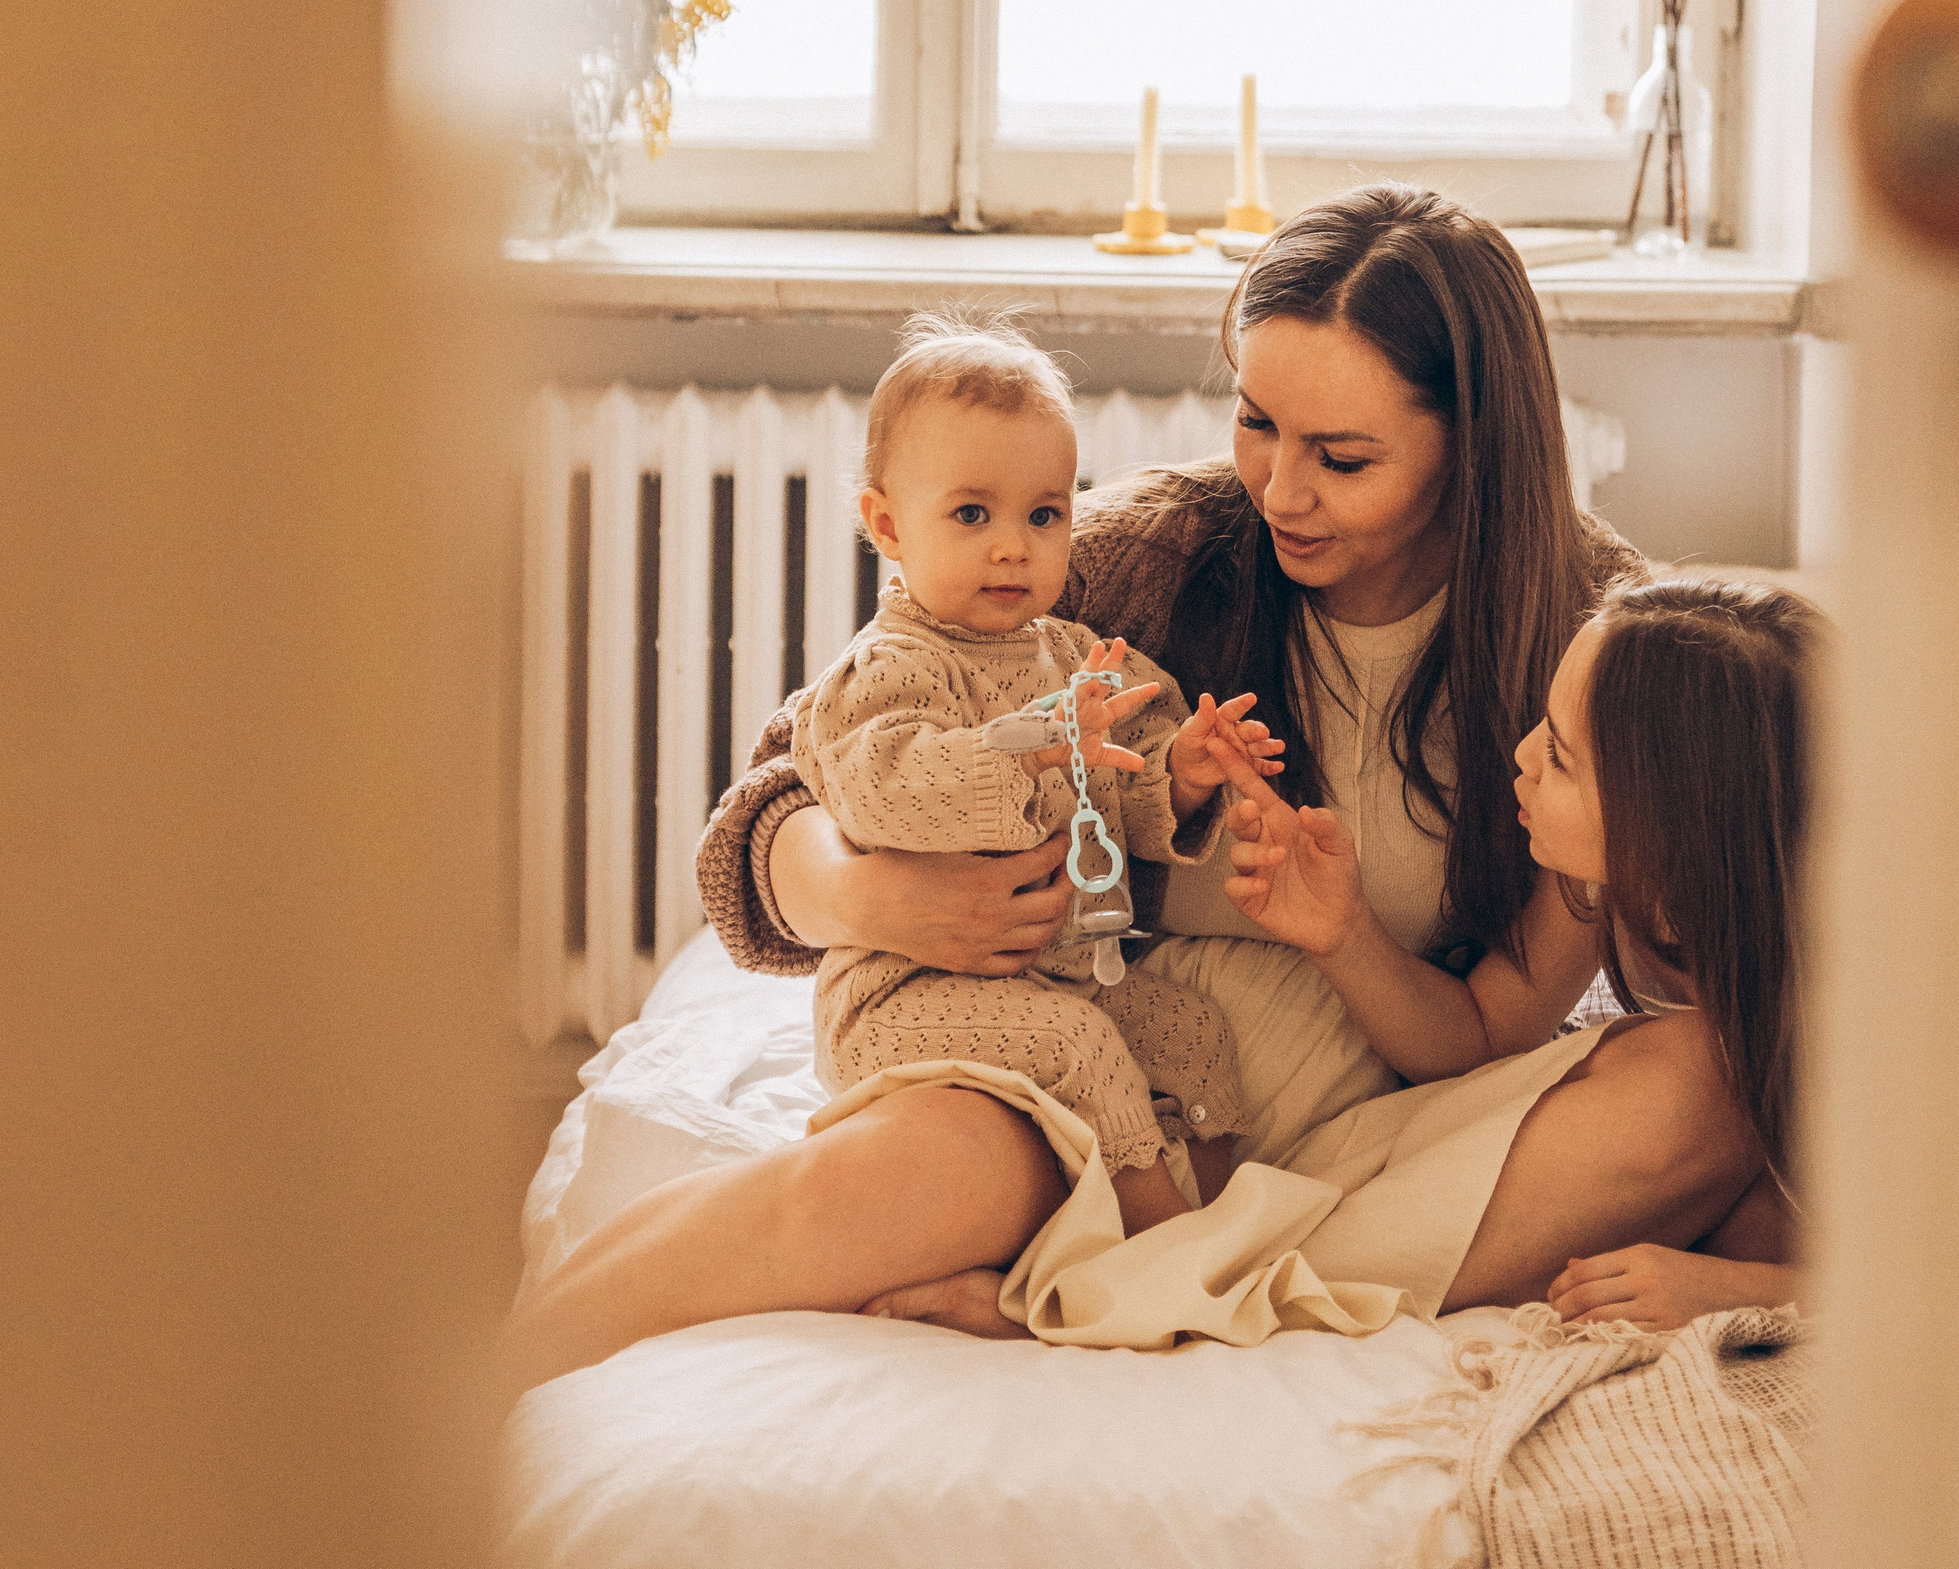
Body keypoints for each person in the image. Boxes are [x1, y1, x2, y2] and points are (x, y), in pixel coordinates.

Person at [504, 184, 1785, 1385]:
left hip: (1387, 1110)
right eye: (1256, 422)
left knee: (1705, 1084)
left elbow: (1502, 1022)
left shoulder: (1589, 640)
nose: (1281, 489)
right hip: (1107, 1059)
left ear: (1471, 449)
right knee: (918, 1166)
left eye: (1342, 458)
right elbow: (786, 790)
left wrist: (1341, 935)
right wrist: (869, 897)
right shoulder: (1151, 552)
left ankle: (1083, 1284)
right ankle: (499, 1372)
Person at [788, 313, 1281, 1237]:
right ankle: (1160, 1243)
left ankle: (1215, 1213)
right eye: (972, 514)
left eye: (1044, 514)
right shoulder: (888, 667)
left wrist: (1183, 771)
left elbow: (1124, 795)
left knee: (1195, 1032)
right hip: (902, 995)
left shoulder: (1075, 655)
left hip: (1059, 977)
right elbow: (888, 786)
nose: (1013, 545)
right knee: (1080, 1046)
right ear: (888, 525)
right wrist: (1031, 745)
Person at [1215, 574, 1816, 1329]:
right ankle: (1255, 1263)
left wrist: (1747, 1290)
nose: (1523, 755)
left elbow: (1954, 1250)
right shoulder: (1603, 877)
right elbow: (1483, 1032)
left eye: (1560, 757)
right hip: (1560, 1133)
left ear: (1668, 821)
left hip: (1776, 1144)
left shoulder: (1862, 968)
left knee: (1716, 1091)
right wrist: (1344, 932)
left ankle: (1255, 1271)